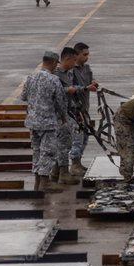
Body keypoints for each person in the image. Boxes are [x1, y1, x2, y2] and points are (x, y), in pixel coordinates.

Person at [21, 50, 68, 187]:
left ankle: (37, 180)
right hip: (47, 122)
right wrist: (64, 117)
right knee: (48, 151)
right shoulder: (53, 79)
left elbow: (23, 97)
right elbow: (60, 101)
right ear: (54, 63)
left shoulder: (30, 78)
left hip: (32, 122)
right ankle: (45, 181)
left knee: (36, 150)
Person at [68, 42, 99, 178]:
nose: (87, 57)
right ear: (76, 55)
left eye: (88, 54)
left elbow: (90, 79)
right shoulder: (71, 70)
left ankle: (78, 162)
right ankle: (74, 164)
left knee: (85, 137)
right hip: (74, 110)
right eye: (84, 55)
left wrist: (94, 83)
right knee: (77, 138)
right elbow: (70, 88)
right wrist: (86, 88)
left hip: (84, 108)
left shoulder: (86, 68)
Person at [52, 46, 80, 183]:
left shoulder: (67, 73)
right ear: (67, 59)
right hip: (59, 115)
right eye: (73, 60)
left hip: (68, 112)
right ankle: (63, 174)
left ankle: (56, 172)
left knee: (65, 143)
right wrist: (67, 90)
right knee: (63, 144)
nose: (75, 64)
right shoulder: (55, 74)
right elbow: (53, 93)